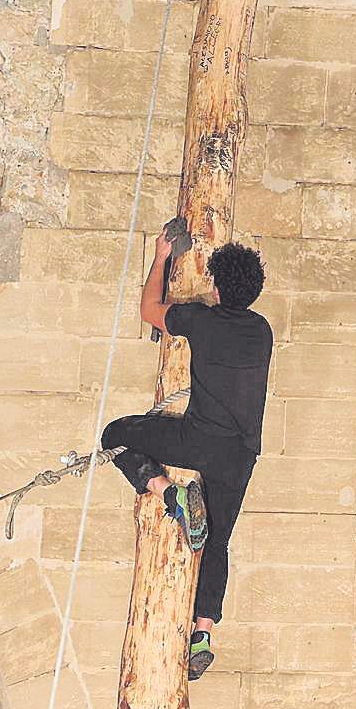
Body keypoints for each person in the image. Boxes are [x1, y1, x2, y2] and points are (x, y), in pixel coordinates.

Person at [101, 226, 272, 681]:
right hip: (240, 456)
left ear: (214, 285)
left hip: (197, 441)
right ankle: (203, 632)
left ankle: (167, 493)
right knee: (218, 541)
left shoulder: (200, 319)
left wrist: (161, 259)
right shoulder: (262, 332)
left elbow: (149, 311)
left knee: (115, 434)